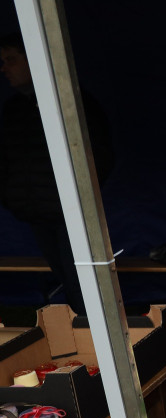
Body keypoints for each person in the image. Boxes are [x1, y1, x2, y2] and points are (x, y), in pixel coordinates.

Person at [0, 33, 113, 315]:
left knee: (84, 286)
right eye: (2, 62)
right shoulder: (13, 109)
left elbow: (99, 155)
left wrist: (78, 199)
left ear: (34, 61)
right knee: (66, 281)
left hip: (73, 215)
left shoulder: (71, 103)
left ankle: (99, 347)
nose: (5, 68)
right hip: (36, 214)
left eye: (11, 60)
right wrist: (12, 197)